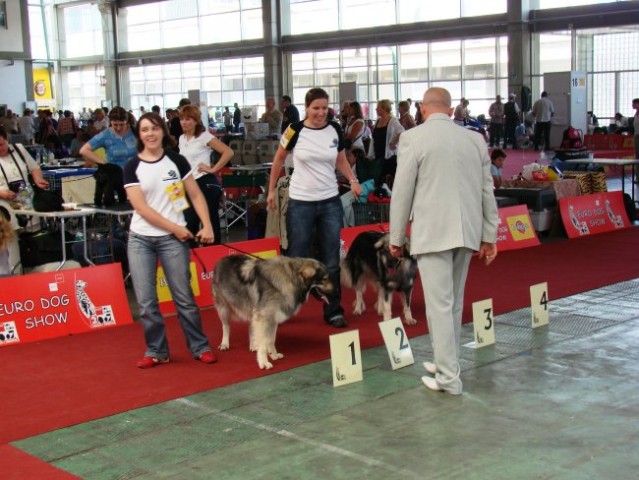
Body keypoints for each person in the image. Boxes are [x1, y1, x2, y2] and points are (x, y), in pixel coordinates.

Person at [389, 87, 498, 396]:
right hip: (467, 232)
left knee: (440, 305)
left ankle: (449, 378)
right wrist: (489, 235)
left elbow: (402, 192)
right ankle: (445, 362)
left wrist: (396, 238)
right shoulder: (475, 139)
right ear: (451, 111)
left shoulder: (413, 139)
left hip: (432, 232)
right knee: (452, 302)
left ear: (423, 109)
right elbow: (486, 191)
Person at [123, 112, 217, 368]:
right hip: (141, 239)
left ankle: (199, 347)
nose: (150, 134)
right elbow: (141, 209)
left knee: (184, 297)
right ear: (139, 135)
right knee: (146, 301)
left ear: (163, 131)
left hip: (174, 240)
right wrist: (175, 228)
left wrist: (206, 224)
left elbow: (195, 195)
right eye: (144, 130)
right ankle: (156, 350)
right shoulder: (132, 166)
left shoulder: (177, 161)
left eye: (154, 128)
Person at [266, 87, 362, 328]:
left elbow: (340, 159)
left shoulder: (335, 129)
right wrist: (270, 191)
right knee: (296, 257)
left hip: (330, 201)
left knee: (331, 259)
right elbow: (278, 159)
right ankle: (286, 305)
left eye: (323, 108)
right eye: (315, 108)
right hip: (300, 201)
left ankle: (333, 310)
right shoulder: (294, 130)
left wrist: (353, 180)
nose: (320, 113)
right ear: (307, 108)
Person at [178, 104, 234, 245]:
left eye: (188, 119)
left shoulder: (204, 137)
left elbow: (228, 152)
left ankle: (213, 254)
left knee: (209, 219)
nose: (183, 122)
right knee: (189, 220)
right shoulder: (181, 139)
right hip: (188, 183)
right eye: (182, 119)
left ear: (196, 121)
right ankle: (192, 256)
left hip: (205, 182)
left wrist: (213, 169)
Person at [0, 127, 49, 202]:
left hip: (27, 199)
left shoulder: (19, 149)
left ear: (7, 140)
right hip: (3, 205)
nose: (0, 148)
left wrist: (38, 179)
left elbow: (34, 167)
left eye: (1, 144)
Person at [367, 99, 404, 186]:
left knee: (387, 179)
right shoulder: (377, 121)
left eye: (378, 108)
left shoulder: (393, 121)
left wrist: (393, 142)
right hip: (378, 154)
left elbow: (402, 131)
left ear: (384, 109)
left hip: (389, 156)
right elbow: (374, 138)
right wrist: (370, 153)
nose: (376, 110)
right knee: (378, 178)